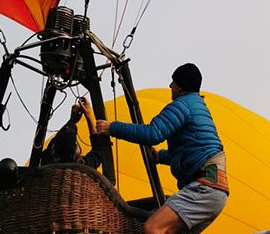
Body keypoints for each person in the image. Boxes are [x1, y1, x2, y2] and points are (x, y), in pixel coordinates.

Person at [95, 63, 228, 234]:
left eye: (173, 82)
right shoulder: (199, 106)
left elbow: (152, 134)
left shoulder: (182, 105)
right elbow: (189, 152)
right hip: (216, 192)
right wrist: (160, 157)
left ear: (180, 86)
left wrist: (111, 127)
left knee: (153, 228)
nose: (170, 86)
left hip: (203, 187)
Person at [45, 96, 105, 169]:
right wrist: (88, 115)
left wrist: (72, 121)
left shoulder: (46, 163)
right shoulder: (79, 169)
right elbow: (99, 151)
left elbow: (58, 143)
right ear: (74, 153)